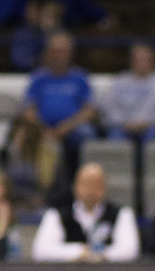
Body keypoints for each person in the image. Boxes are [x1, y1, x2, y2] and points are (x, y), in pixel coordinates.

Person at [20, 32, 97, 181]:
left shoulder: (79, 78)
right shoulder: (39, 78)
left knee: (86, 133)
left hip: (72, 128)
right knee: (25, 135)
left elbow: (89, 111)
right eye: (55, 51)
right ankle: (32, 184)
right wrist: (44, 129)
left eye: (63, 51)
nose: (59, 55)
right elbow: (29, 110)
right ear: (48, 53)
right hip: (42, 128)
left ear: (70, 54)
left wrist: (66, 127)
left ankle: (81, 179)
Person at [32, 162, 140, 262]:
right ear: (75, 186)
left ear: (104, 188)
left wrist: (99, 255)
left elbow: (130, 250)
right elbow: (41, 251)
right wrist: (78, 252)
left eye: (96, 184)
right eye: (86, 184)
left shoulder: (122, 214)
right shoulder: (56, 214)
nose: (91, 190)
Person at [102, 43, 155, 142]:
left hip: (153, 127)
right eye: (139, 60)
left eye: (146, 59)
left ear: (152, 61)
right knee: (115, 136)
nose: (142, 63)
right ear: (131, 61)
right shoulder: (119, 81)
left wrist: (147, 123)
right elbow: (110, 109)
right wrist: (125, 124)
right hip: (123, 127)